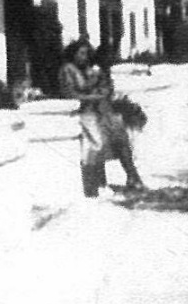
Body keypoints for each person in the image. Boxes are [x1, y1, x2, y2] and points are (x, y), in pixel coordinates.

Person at [58, 39, 143, 198]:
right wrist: (95, 95)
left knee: (121, 137)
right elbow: (71, 94)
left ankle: (132, 176)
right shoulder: (68, 70)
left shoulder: (89, 69)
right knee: (97, 143)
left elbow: (106, 87)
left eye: (87, 53)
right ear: (73, 54)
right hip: (86, 111)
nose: (84, 57)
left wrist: (102, 86)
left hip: (102, 110)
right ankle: (94, 186)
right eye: (81, 53)